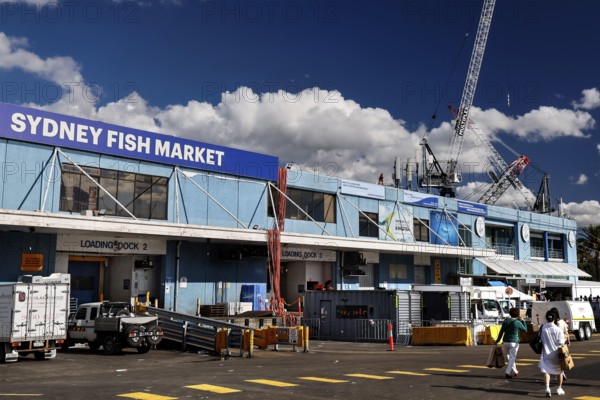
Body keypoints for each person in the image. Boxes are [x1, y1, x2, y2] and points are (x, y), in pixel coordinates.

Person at [539, 309, 566, 397]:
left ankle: (547, 388)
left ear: (546, 318)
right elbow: (561, 342)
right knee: (559, 372)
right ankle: (559, 388)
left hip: (545, 353)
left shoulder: (542, 327)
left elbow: (540, 338)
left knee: (546, 371)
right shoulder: (558, 329)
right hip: (556, 353)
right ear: (554, 318)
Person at [495, 307, 527, 379]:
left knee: (510, 357)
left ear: (510, 313)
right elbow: (525, 330)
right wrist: (523, 321)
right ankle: (507, 372)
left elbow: (501, 331)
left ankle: (515, 371)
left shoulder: (506, 321)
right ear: (518, 314)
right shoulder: (517, 322)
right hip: (514, 342)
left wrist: (497, 340)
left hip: (505, 342)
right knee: (512, 358)